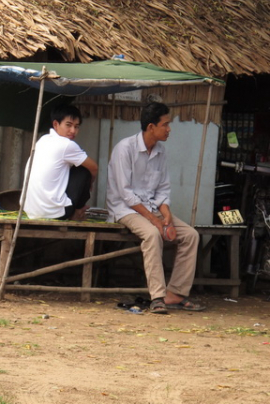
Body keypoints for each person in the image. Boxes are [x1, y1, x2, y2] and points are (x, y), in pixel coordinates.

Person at [106, 102, 205, 314]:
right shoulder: (124, 149)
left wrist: (166, 212)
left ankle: (175, 294)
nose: (169, 129)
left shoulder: (161, 151)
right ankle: (157, 296)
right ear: (151, 127)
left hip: (152, 207)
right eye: (166, 124)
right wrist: (155, 220)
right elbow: (126, 194)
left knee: (191, 235)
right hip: (125, 209)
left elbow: (163, 189)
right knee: (153, 234)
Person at [24, 104, 98, 220]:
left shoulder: (43, 140)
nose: (73, 130)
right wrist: (90, 183)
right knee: (84, 170)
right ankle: (77, 212)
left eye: (76, 127)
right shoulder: (67, 145)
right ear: (56, 124)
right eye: (68, 125)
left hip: (31, 212)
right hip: (54, 213)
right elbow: (94, 167)